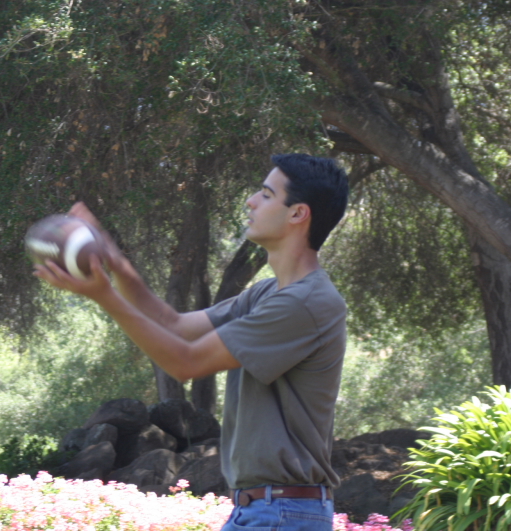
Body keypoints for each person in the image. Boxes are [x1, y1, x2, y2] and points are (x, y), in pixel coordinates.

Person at [34, 153, 349, 531]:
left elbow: (186, 362)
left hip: (281, 513)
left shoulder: (305, 303)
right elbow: (176, 325)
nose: (251, 201)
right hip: (265, 510)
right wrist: (115, 261)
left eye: (266, 195)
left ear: (298, 213)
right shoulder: (268, 293)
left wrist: (103, 295)